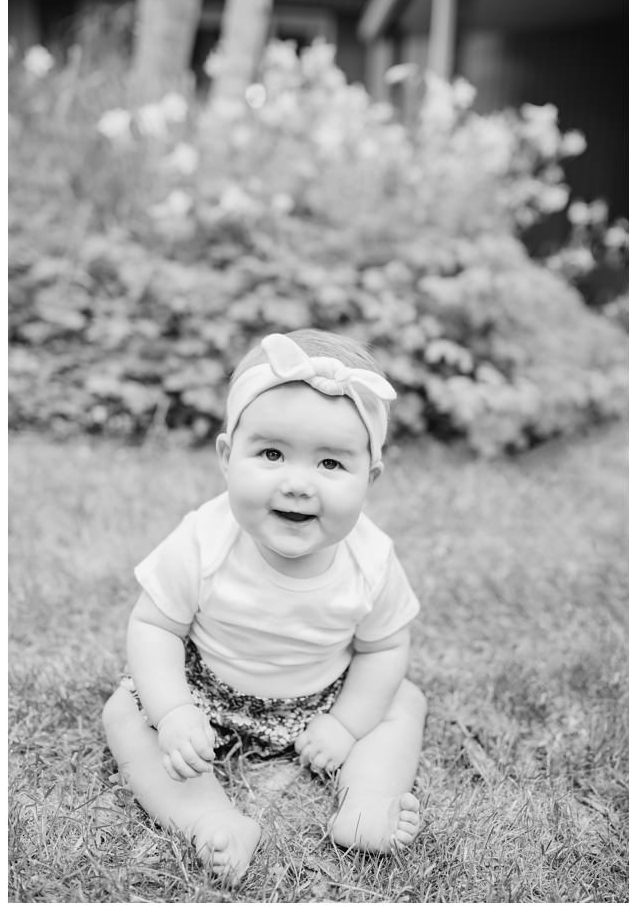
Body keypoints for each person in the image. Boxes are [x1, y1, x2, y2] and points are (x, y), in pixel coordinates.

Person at [100, 330, 428, 885]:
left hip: (321, 702)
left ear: (369, 477)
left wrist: (347, 726)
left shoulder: (371, 559)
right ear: (228, 458)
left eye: (331, 464)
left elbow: (384, 647)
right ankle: (210, 817)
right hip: (208, 695)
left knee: (403, 701)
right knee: (124, 712)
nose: (298, 484)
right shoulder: (204, 539)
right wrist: (175, 711)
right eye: (271, 454)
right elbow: (155, 625)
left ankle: (367, 804)